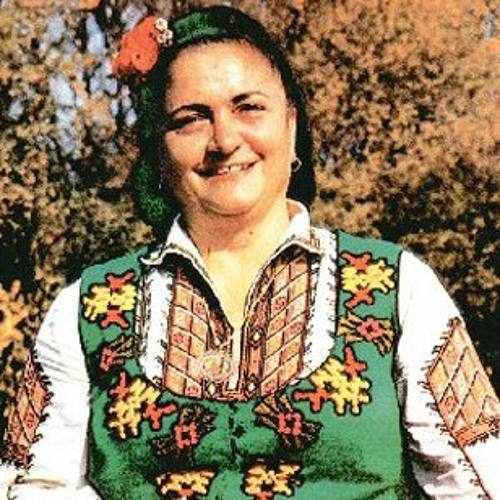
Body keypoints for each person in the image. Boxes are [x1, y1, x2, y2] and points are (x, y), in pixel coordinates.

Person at [1, 5, 499, 499]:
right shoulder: (86, 311)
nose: (223, 140)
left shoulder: (398, 291)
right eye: (190, 119)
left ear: (292, 124)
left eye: (249, 108)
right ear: (160, 149)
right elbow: (33, 489)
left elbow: (480, 484)